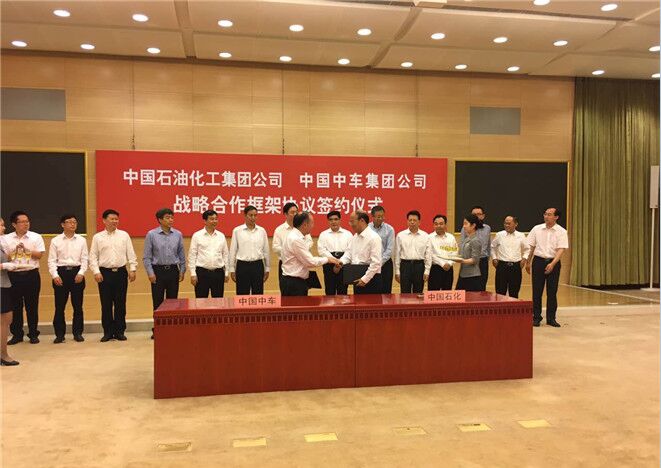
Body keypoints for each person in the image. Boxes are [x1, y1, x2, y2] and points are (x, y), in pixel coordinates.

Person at [89, 209, 138, 342]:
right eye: (112, 219)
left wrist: (133, 269)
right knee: (106, 304)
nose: (115, 221)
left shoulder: (124, 235)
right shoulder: (97, 237)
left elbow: (131, 253)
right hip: (104, 273)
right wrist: (96, 272)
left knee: (120, 303)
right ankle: (108, 332)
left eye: (116, 219)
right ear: (104, 220)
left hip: (121, 272)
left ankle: (120, 331)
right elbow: (93, 256)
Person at [4, 211, 45, 345]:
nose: (26, 224)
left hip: (31, 275)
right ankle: (17, 335)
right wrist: (15, 251)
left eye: (27, 221)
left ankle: (33, 334)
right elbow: (4, 258)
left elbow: (39, 255)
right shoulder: (6, 239)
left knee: (32, 306)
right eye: (22, 222)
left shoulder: (36, 237)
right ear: (14, 224)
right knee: (15, 307)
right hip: (13, 275)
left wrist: (26, 250)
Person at [47, 214, 88, 343]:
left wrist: (81, 273)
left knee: (78, 306)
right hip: (61, 273)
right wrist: (55, 275)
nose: (72, 224)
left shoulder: (81, 240)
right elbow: (51, 260)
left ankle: (78, 333)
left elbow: (85, 259)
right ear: (62, 224)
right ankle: (59, 334)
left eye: (74, 222)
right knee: (59, 307)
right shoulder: (56, 240)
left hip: (77, 273)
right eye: (69, 222)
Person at [526, 208, 568, 328]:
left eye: (549, 214)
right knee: (537, 291)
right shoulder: (536, 229)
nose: (546, 216)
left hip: (553, 262)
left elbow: (561, 249)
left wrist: (553, 263)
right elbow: (531, 247)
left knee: (552, 292)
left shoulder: (561, 231)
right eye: (545, 214)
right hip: (538, 262)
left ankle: (551, 318)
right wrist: (528, 262)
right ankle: (536, 317)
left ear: (556, 217)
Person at [281, 212, 339, 296]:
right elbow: (310, 262)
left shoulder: (295, 236)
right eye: (312, 223)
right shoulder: (296, 239)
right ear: (305, 225)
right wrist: (328, 259)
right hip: (294, 283)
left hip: (294, 281)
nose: (313, 226)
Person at [336, 211, 382, 294]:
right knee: (358, 302)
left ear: (362, 221)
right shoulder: (355, 237)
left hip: (371, 278)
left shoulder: (374, 238)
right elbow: (348, 254)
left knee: (372, 302)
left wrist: (365, 279)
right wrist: (340, 262)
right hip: (357, 277)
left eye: (352, 221)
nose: (351, 224)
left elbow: (376, 263)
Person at [229, 205, 270, 295]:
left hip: (258, 265)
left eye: (255, 215)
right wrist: (231, 269)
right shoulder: (237, 231)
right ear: (245, 215)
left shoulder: (262, 231)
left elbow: (266, 250)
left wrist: (267, 268)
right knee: (242, 295)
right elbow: (233, 250)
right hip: (242, 266)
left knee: (258, 294)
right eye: (250, 215)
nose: (253, 218)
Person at [188, 210, 229, 298]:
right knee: (201, 301)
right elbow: (192, 255)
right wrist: (193, 273)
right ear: (205, 221)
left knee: (218, 301)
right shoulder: (197, 235)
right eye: (211, 219)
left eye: (216, 219)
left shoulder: (221, 235)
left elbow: (225, 255)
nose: (214, 221)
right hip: (202, 273)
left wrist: (226, 272)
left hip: (218, 273)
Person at [491, 215, 529, 298]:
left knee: (514, 293)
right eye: (505, 223)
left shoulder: (521, 235)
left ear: (516, 224)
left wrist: (524, 259)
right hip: (501, 266)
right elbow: (492, 247)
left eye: (509, 223)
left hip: (516, 267)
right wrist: (494, 258)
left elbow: (527, 249)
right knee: (500, 293)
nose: (506, 225)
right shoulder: (499, 235)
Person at [395, 210, 431, 294]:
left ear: (419, 222)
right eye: (410, 220)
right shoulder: (400, 235)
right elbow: (397, 255)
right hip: (405, 266)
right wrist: (397, 271)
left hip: (419, 266)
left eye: (414, 220)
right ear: (407, 221)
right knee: (404, 294)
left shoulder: (425, 236)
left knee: (418, 293)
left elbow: (428, 255)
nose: (412, 222)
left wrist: (427, 271)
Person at [317, 211, 352, 295]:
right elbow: (321, 250)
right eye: (331, 220)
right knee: (329, 291)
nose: (333, 222)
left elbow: (350, 251)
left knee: (343, 292)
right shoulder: (323, 234)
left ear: (340, 220)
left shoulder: (348, 234)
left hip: (343, 264)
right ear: (328, 221)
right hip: (329, 264)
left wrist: (340, 262)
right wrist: (335, 261)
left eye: (336, 219)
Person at [0, 217, 19, 365]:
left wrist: (15, 254)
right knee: (4, 320)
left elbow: (4, 258)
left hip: (4, 284)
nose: (4, 228)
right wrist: (4, 266)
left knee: (7, 319)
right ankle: (3, 355)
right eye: (1, 225)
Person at [460, 206, 491, 291]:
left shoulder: (487, 228)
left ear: (483, 216)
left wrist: (487, 258)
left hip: (482, 261)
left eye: (479, 214)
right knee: (467, 288)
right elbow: (462, 244)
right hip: (469, 261)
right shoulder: (465, 228)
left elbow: (488, 245)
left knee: (481, 288)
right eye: (474, 214)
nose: (476, 216)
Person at [428, 214, 458, 291]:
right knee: (433, 293)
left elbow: (455, 252)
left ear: (445, 225)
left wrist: (449, 263)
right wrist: (442, 264)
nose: (438, 226)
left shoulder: (451, 237)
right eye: (436, 224)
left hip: (448, 269)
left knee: (447, 293)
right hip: (435, 269)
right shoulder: (429, 237)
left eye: (441, 224)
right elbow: (430, 254)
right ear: (433, 225)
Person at [369, 206, 395, 294]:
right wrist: (374, 262)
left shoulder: (389, 229)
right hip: (370, 263)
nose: (381, 218)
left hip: (385, 264)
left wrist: (380, 262)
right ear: (373, 217)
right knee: (372, 291)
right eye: (378, 216)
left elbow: (389, 249)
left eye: (382, 216)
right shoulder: (367, 228)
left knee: (386, 292)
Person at [456, 214, 483, 292]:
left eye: (466, 224)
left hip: (472, 276)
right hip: (463, 274)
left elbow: (475, 260)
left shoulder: (476, 240)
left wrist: (462, 261)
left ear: (473, 225)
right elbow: (463, 255)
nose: (464, 226)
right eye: (463, 224)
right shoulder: (466, 239)